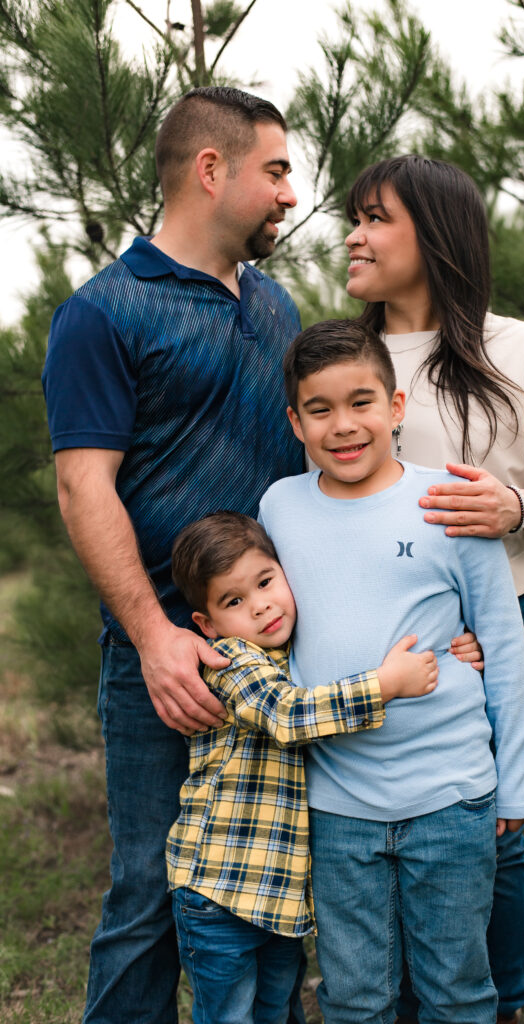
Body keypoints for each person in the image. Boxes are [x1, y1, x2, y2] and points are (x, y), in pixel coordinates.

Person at [41, 86, 305, 1024]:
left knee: (282, 899)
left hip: (280, 659)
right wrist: (154, 637)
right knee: (150, 898)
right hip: (170, 665)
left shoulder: (278, 306)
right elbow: (85, 487)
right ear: (210, 169)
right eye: (274, 170)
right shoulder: (105, 314)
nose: (288, 192)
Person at [343, 154, 524, 1023]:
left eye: (376, 217)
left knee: (492, 829)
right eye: (353, 217)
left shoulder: (518, 349)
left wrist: (513, 507)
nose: (354, 234)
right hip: (382, 641)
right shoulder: (347, 360)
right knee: (377, 830)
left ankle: (503, 1005)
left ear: (436, 233)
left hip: (501, 625)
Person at [258, 319, 524, 1024]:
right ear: (295, 422)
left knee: (456, 988)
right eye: (319, 410)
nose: (343, 425)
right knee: (354, 995)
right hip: (336, 802)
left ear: (395, 407)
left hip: (450, 794)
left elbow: (503, 647)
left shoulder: (446, 505)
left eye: (361, 402)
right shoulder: (279, 508)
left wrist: (514, 782)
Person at [166, 509, 439, 1024]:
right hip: (220, 891)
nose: (261, 605)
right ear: (207, 623)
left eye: (266, 582)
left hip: (278, 898)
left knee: (276, 1009)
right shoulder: (230, 663)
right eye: (234, 600)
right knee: (229, 1015)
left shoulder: (297, 651)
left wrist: (450, 646)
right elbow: (289, 714)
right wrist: (386, 683)